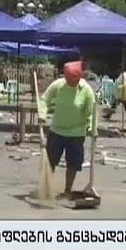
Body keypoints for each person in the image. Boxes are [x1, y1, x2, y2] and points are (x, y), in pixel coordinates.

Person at [38, 61, 96, 196]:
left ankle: (67, 190)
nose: (70, 82)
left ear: (79, 78)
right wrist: (42, 114)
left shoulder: (86, 91)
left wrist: (92, 127)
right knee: (50, 160)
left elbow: (92, 112)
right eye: (68, 79)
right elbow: (44, 99)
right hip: (57, 130)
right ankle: (47, 187)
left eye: (73, 80)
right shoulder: (58, 85)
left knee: (73, 163)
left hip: (76, 133)